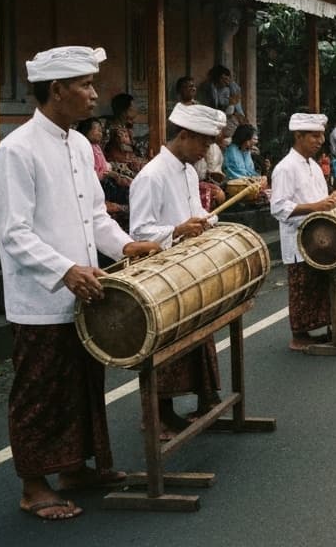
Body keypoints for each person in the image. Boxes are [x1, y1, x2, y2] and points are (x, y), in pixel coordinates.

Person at [0, 46, 160, 521]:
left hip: (88, 289)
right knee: (39, 391)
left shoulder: (81, 145)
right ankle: (33, 485)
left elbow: (92, 217)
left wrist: (126, 247)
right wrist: (64, 269)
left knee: (83, 384)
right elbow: (15, 233)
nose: (93, 94)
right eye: (85, 85)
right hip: (41, 297)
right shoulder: (15, 151)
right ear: (57, 90)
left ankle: (74, 469)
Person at [129, 104, 227, 438]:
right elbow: (139, 233)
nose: (206, 151)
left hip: (189, 270)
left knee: (195, 338)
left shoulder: (188, 170)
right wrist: (176, 230)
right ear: (183, 136)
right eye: (203, 143)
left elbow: (196, 213)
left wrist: (206, 221)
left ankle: (201, 400)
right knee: (163, 351)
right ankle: (155, 417)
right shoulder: (151, 175)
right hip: (162, 275)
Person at [272, 112, 336, 351]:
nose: (320, 141)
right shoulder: (285, 168)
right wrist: (315, 207)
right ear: (298, 136)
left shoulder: (314, 166)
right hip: (299, 238)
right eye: (314, 136)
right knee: (302, 288)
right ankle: (298, 336)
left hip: (320, 237)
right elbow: (278, 207)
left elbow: (322, 200)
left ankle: (317, 331)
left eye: (321, 136)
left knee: (320, 285)